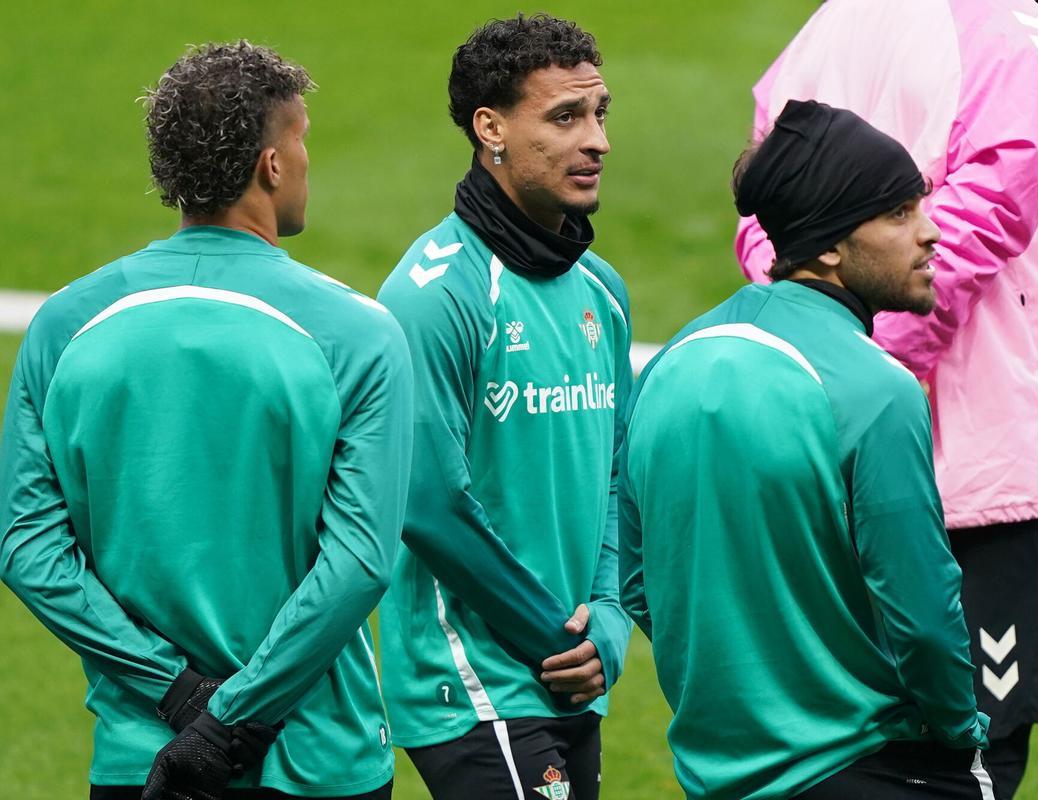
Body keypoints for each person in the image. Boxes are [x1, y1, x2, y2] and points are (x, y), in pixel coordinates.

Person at [0, 41, 412, 800]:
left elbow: (27, 548)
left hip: (143, 758)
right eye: (302, 138)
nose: (307, 160)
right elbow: (359, 562)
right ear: (272, 164)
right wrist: (234, 719)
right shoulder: (358, 334)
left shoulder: (64, 326)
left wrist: (179, 695)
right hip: (314, 759)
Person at [734, 2, 1038, 796]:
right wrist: (872, 364)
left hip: (825, 461)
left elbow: (762, 213)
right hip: (976, 478)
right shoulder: (1014, 33)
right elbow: (988, 210)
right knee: (969, 760)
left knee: (833, 749)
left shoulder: (827, 25)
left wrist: (818, 351)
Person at [621, 100, 992, 800]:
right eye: (899, 214)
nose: (932, 232)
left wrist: (746, 691)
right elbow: (922, 614)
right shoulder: (878, 390)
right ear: (828, 246)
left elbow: (639, 578)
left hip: (716, 772)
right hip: (874, 765)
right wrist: (958, 732)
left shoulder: (671, 362)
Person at [376, 14, 632, 800]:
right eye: (564, 117)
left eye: (599, 114)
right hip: (476, 679)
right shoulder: (436, 296)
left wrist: (610, 614)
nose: (596, 141)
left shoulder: (602, 293)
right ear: (490, 129)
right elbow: (426, 502)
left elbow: (617, 473)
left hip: (568, 668)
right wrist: (550, 637)